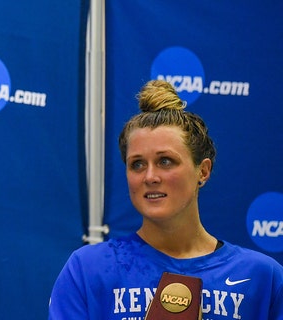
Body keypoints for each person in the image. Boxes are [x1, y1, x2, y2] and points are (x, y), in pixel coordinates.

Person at [48, 80, 283, 319]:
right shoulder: (88, 269)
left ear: (202, 171)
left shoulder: (263, 277)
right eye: (137, 164)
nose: (150, 176)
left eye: (165, 161)